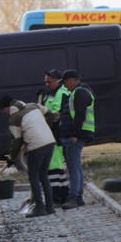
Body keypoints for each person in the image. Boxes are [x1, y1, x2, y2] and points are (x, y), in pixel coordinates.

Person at [0, 96, 56, 217]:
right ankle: (50, 206)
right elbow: (51, 115)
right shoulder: (34, 105)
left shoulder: (14, 118)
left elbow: (16, 141)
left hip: (36, 145)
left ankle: (40, 208)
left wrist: (11, 157)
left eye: (3, 111)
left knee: (34, 176)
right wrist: (43, 127)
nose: (3, 114)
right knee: (43, 175)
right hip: (50, 141)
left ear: (7, 108)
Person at [58, 69, 95, 210]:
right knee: (76, 166)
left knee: (73, 167)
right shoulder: (77, 92)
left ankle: (73, 197)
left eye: (66, 83)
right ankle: (78, 197)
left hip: (76, 135)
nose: (65, 86)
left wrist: (74, 134)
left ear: (73, 80)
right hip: (75, 134)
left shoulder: (80, 92)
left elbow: (80, 114)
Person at [38, 69, 71, 205]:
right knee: (56, 165)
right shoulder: (49, 94)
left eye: (49, 81)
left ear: (58, 81)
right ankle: (64, 194)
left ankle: (56, 196)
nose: (46, 84)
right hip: (50, 133)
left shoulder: (62, 93)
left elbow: (57, 114)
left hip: (57, 133)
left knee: (53, 166)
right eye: (45, 81)